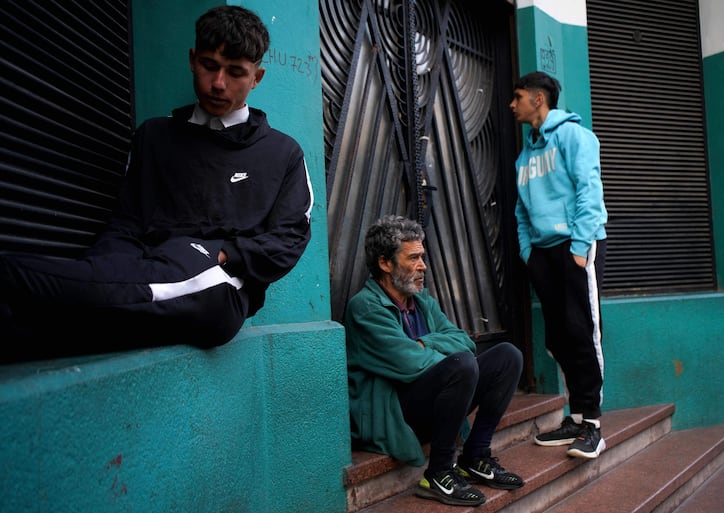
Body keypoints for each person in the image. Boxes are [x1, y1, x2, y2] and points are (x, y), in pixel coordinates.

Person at [0, 6, 313, 361]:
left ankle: (23, 281)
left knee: (206, 298)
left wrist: (226, 254)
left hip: (218, 282)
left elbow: (290, 237)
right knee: (43, 322)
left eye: (235, 72)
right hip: (144, 267)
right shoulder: (154, 136)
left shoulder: (282, 152)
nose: (219, 83)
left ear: (257, 77)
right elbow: (126, 219)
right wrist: (104, 272)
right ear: (193, 60)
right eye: (210, 65)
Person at [345, 215, 525, 507]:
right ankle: (439, 472)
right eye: (413, 258)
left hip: (436, 404)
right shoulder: (365, 308)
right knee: (462, 365)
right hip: (397, 413)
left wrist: (424, 343)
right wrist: (437, 353)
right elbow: (409, 363)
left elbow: (464, 340)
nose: (423, 266)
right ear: (385, 263)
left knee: (508, 356)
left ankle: (476, 456)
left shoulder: (422, 300)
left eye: (423, 257)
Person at [509, 71, 608, 459]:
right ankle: (576, 414)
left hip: (574, 246)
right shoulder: (526, 154)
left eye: (517, 97)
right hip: (542, 254)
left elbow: (589, 190)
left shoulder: (574, 136)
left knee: (583, 332)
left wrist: (581, 246)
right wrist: (527, 253)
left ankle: (593, 426)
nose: (512, 104)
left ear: (538, 99)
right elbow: (520, 209)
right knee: (558, 338)